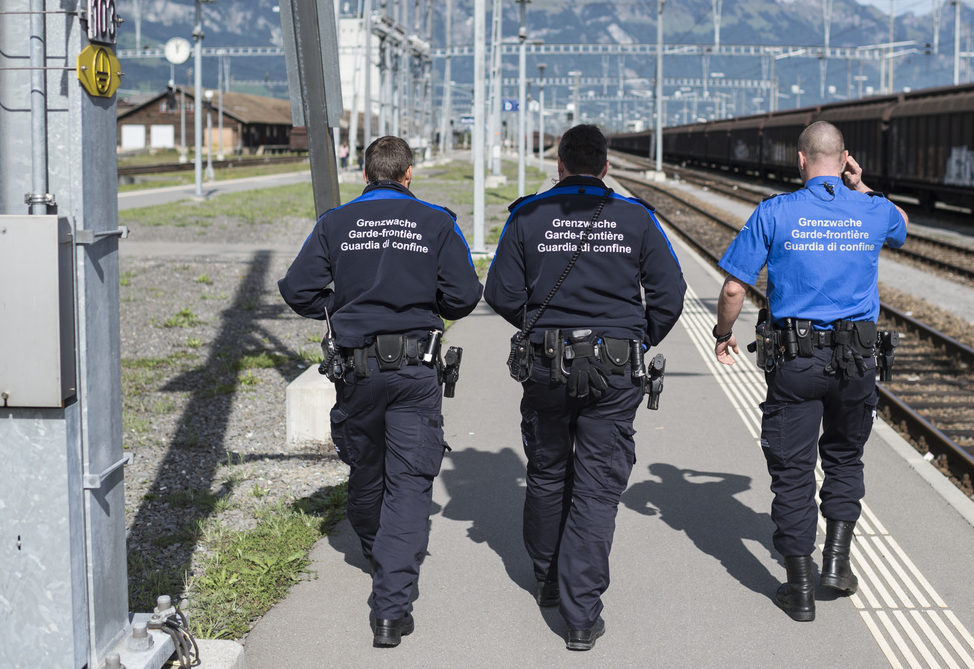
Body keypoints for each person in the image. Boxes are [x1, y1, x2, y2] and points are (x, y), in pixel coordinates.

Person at [485, 124, 686, 651]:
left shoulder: (526, 216)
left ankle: (547, 579)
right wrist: (635, 337)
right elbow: (670, 291)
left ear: (559, 164)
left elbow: (500, 291)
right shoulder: (636, 217)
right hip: (617, 370)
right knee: (597, 486)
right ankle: (581, 617)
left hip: (546, 365)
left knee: (549, 471)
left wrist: (535, 329)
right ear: (605, 166)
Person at [278, 135, 483, 647]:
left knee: (366, 470)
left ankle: (378, 553)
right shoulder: (437, 221)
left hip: (356, 370)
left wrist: (341, 301)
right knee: (410, 482)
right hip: (415, 371)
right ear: (409, 174)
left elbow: (297, 289)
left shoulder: (335, 223)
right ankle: (391, 611)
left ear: (364, 175)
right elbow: (463, 297)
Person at [711, 120, 908, 622]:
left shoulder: (775, 212)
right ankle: (836, 566)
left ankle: (798, 590)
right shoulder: (871, 208)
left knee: (792, 471)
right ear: (844, 160)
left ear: (800, 160)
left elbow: (735, 288)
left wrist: (722, 334)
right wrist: (860, 185)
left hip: (796, 363)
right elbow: (902, 225)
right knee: (844, 460)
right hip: (858, 362)